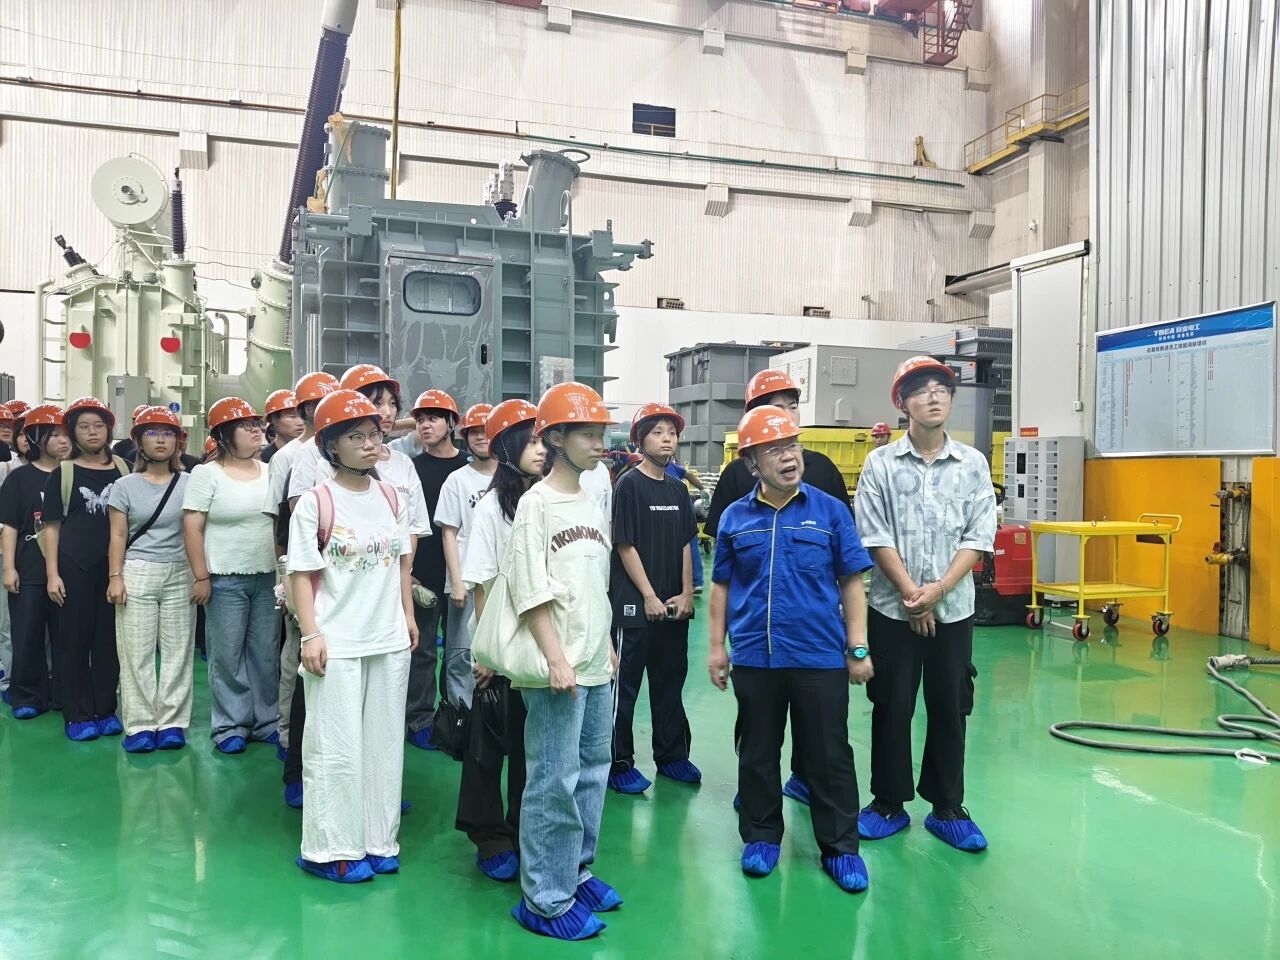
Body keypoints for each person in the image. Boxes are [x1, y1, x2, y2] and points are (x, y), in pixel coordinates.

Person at [708, 405, 874, 893]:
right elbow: (720, 586)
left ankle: (840, 848)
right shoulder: (735, 518)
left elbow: (852, 581)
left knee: (829, 754)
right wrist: (717, 647)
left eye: (792, 446)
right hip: (756, 655)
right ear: (751, 464)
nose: (789, 457)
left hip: (818, 655)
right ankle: (762, 837)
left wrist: (858, 647)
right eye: (775, 450)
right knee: (757, 751)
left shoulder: (831, 511)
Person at [854, 356, 996, 853]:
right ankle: (887, 803)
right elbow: (874, 535)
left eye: (941, 389)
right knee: (891, 703)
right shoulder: (880, 464)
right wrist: (913, 595)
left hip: (953, 609)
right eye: (920, 390)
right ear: (902, 403)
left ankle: (947, 807)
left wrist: (937, 590)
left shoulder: (973, 464)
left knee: (950, 705)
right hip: (893, 609)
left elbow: (979, 536)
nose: (933, 397)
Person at [703, 368, 851, 806]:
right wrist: (718, 643)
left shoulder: (823, 472)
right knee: (757, 727)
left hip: (814, 633)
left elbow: (846, 564)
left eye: (792, 406)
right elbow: (723, 572)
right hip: (756, 637)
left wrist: (853, 636)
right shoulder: (736, 478)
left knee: (819, 727)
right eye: (773, 407)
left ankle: (804, 778)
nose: (785, 415)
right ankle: (756, 792)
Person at [504, 382, 619, 942]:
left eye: (600, 434)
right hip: (561, 667)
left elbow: (594, 582)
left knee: (594, 769)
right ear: (554, 439)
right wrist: (555, 659)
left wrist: (608, 646)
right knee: (554, 778)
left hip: (596, 660)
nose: (599, 444)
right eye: (587, 435)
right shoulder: (536, 505)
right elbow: (530, 591)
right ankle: (545, 898)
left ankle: (577, 869)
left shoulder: (593, 500)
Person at [287, 389, 417, 884]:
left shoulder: (391, 497)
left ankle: (379, 840)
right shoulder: (316, 503)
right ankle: (331, 849)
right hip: (336, 640)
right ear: (330, 445)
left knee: (384, 746)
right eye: (355, 437)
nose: (369, 444)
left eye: (374, 435)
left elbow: (401, 565)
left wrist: (407, 618)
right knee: (334, 747)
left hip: (387, 637)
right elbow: (301, 574)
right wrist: (310, 635)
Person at [456, 398, 543, 882]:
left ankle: (525, 829)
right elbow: (482, 584)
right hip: (501, 642)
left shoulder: (548, 499)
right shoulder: (491, 508)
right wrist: (488, 652)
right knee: (488, 745)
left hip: (541, 641)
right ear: (508, 448)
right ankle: (489, 835)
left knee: (533, 745)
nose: (542, 449)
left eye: (544, 440)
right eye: (531, 442)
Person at [607, 403, 698, 795]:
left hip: (672, 607)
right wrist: (647, 596)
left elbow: (686, 543)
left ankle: (672, 755)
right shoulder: (628, 485)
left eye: (672, 433)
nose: (667, 439)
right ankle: (618, 762)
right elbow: (625, 545)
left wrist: (686, 593)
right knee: (624, 688)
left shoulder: (678, 489)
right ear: (640, 440)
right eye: (658, 432)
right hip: (635, 606)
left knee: (669, 683)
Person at [183, 397, 278, 754]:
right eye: (246, 426)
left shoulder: (270, 470)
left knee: (265, 653)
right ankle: (230, 725)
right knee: (227, 654)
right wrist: (201, 576)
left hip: (268, 577)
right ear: (224, 435)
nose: (256, 431)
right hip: (224, 578)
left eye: (256, 425)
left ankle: (267, 720)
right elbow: (192, 527)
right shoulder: (206, 474)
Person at [42, 397, 131, 742]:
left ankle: (105, 709)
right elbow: (52, 528)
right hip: (74, 566)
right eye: (84, 427)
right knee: (74, 640)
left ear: (108, 430)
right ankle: (77, 714)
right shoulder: (63, 473)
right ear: (73, 432)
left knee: (109, 641)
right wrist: (53, 574)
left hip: (115, 568)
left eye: (98, 426)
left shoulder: (124, 469)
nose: (92, 432)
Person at [106, 407, 194, 753]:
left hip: (181, 571)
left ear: (178, 441)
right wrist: (115, 576)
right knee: (136, 652)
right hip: (137, 571)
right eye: (152, 433)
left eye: (168, 433)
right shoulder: (123, 486)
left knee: (178, 651)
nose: (161, 440)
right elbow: (117, 535)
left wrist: (200, 575)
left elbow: (196, 532)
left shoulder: (191, 483)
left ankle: (172, 722)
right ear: (139, 441)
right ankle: (140, 724)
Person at [264, 371, 338, 760]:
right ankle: (287, 731)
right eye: (313, 404)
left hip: (340, 566)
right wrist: (283, 570)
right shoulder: (289, 456)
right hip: (300, 560)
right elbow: (280, 516)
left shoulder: (342, 445)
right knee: (297, 646)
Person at [0, 404, 71, 718]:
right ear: (34, 438)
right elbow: (10, 526)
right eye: (54, 434)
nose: (63, 440)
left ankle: (63, 692)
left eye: (66, 434)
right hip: (29, 568)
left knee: (66, 635)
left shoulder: (74, 474)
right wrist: (9, 568)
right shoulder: (19, 479)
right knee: (27, 633)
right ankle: (27, 695)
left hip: (69, 569)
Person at [406, 388, 467, 749]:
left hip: (462, 575)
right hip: (423, 575)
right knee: (423, 650)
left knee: (461, 651)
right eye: (420, 420)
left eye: (433, 418)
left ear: (451, 424)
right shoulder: (412, 469)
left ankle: (455, 717)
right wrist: (408, 571)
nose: (425, 425)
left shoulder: (468, 467)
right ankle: (419, 719)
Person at [435, 402, 496, 711]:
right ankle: (462, 718)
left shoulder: (512, 477)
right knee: (461, 654)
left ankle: (492, 718)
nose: (481, 437)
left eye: (486, 431)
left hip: (499, 581)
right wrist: (456, 582)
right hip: (467, 582)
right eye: (474, 432)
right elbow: (449, 533)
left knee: (500, 651)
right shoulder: (457, 480)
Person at [663, 455, 705, 594]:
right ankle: (697, 581)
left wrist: (703, 490)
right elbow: (690, 475)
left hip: (674, 509)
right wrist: (703, 489)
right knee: (690, 543)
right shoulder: (673, 467)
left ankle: (691, 581)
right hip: (684, 506)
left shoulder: (664, 468)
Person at [262, 389, 305, 463]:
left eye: (302, 415)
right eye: (292, 416)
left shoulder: (312, 452)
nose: (301, 422)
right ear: (273, 420)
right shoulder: (262, 458)